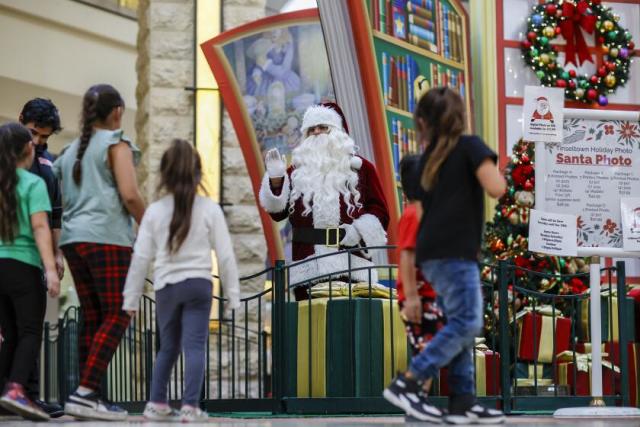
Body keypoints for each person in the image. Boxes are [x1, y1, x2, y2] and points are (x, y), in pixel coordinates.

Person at [383, 88, 506, 424]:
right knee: (468, 322)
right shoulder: (469, 147)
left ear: (423, 122)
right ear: (459, 117)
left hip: (433, 255)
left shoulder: (427, 160)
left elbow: (421, 210)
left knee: (459, 324)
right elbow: (496, 188)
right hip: (456, 253)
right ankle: (409, 382)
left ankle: (462, 401)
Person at [122, 139, 241, 423]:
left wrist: (131, 298)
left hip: (166, 288)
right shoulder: (210, 209)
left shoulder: (154, 211)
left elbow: (140, 258)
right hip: (199, 285)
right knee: (195, 346)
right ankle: (190, 407)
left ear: (164, 174)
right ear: (198, 174)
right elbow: (225, 256)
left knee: (168, 347)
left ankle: (156, 404)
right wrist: (233, 294)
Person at [53, 84, 146, 421]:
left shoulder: (69, 152)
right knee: (122, 311)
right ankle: (87, 390)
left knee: (93, 316)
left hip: (73, 241)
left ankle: (90, 397)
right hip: (106, 238)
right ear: (118, 111)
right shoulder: (115, 144)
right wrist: (150, 226)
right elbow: (131, 195)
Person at [259, 103, 389, 300]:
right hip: (308, 269)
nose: (317, 133)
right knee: (312, 328)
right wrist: (276, 181)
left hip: (352, 267)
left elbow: (380, 211)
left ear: (337, 131)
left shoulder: (362, 169)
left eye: (323, 127)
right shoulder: (295, 173)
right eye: (312, 129)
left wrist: (358, 231)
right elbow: (278, 213)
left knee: (349, 326)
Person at [0, 122, 60, 421]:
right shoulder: (33, 184)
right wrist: (50, 269)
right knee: (30, 331)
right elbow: (40, 227)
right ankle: (15, 390)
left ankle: (4, 392)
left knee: (9, 334)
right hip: (23, 266)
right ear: (27, 148)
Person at [18, 98, 65, 418]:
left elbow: (55, 216)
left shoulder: (48, 166)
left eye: (45, 137)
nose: (37, 143)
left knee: (29, 329)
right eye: (33, 133)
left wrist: (56, 254)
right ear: (21, 120)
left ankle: (29, 395)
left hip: (32, 256)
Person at [395, 155, 445, 357]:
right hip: (420, 298)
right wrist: (412, 298)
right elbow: (407, 256)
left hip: (431, 295)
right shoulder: (412, 214)